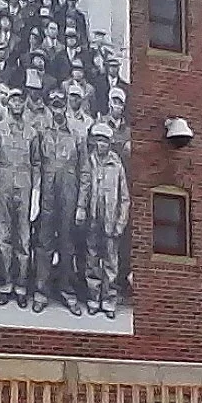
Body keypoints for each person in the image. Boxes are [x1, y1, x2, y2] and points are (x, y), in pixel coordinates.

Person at [33, 90, 86, 315]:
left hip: (69, 197)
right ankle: (40, 292)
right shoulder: (41, 132)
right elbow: (35, 164)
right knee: (44, 243)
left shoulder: (77, 134)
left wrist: (81, 204)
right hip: (47, 195)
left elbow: (84, 171)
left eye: (60, 104)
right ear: (50, 106)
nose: (57, 109)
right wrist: (35, 195)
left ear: (66, 106)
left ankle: (67, 291)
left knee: (67, 245)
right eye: (53, 105)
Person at [0, 91, 39, 306]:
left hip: (25, 189)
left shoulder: (32, 132)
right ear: (8, 103)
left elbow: (36, 163)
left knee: (24, 240)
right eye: (13, 100)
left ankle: (21, 287)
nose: (17, 104)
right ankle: (5, 285)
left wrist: (36, 193)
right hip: (4, 187)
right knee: (3, 238)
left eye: (20, 100)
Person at [81, 121, 130, 319]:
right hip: (94, 219)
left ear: (110, 143)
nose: (101, 145)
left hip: (111, 221)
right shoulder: (90, 161)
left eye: (105, 141)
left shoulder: (117, 165)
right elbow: (84, 188)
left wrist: (121, 222)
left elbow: (125, 198)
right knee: (92, 259)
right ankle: (93, 299)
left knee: (111, 263)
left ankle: (109, 300)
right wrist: (81, 210)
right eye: (98, 141)